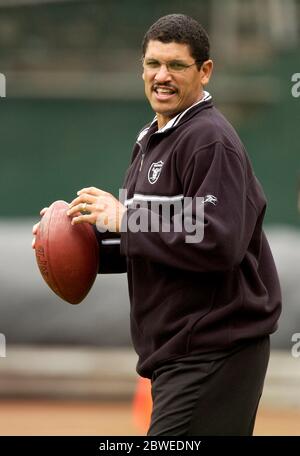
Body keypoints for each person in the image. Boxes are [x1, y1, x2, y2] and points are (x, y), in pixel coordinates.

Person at [32, 14, 282, 436]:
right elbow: (158, 243)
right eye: (153, 64)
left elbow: (218, 237)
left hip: (213, 350)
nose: (161, 76)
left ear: (205, 70)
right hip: (178, 354)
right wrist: (77, 238)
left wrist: (127, 218)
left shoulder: (210, 140)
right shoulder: (152, 138)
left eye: (176, 66)